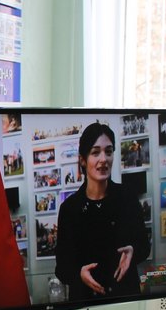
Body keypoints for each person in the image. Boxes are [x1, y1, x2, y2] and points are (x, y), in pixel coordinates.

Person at [55, 122, 150, 299]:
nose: (103, 159)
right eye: (95, 152)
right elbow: (62, 268)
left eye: (108, 151)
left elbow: (144, 246)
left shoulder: (127, 197)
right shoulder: (69, 209)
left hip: (124, 297)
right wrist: (79, 274)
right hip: (85, 300)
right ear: (83, 160)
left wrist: (132, 251)